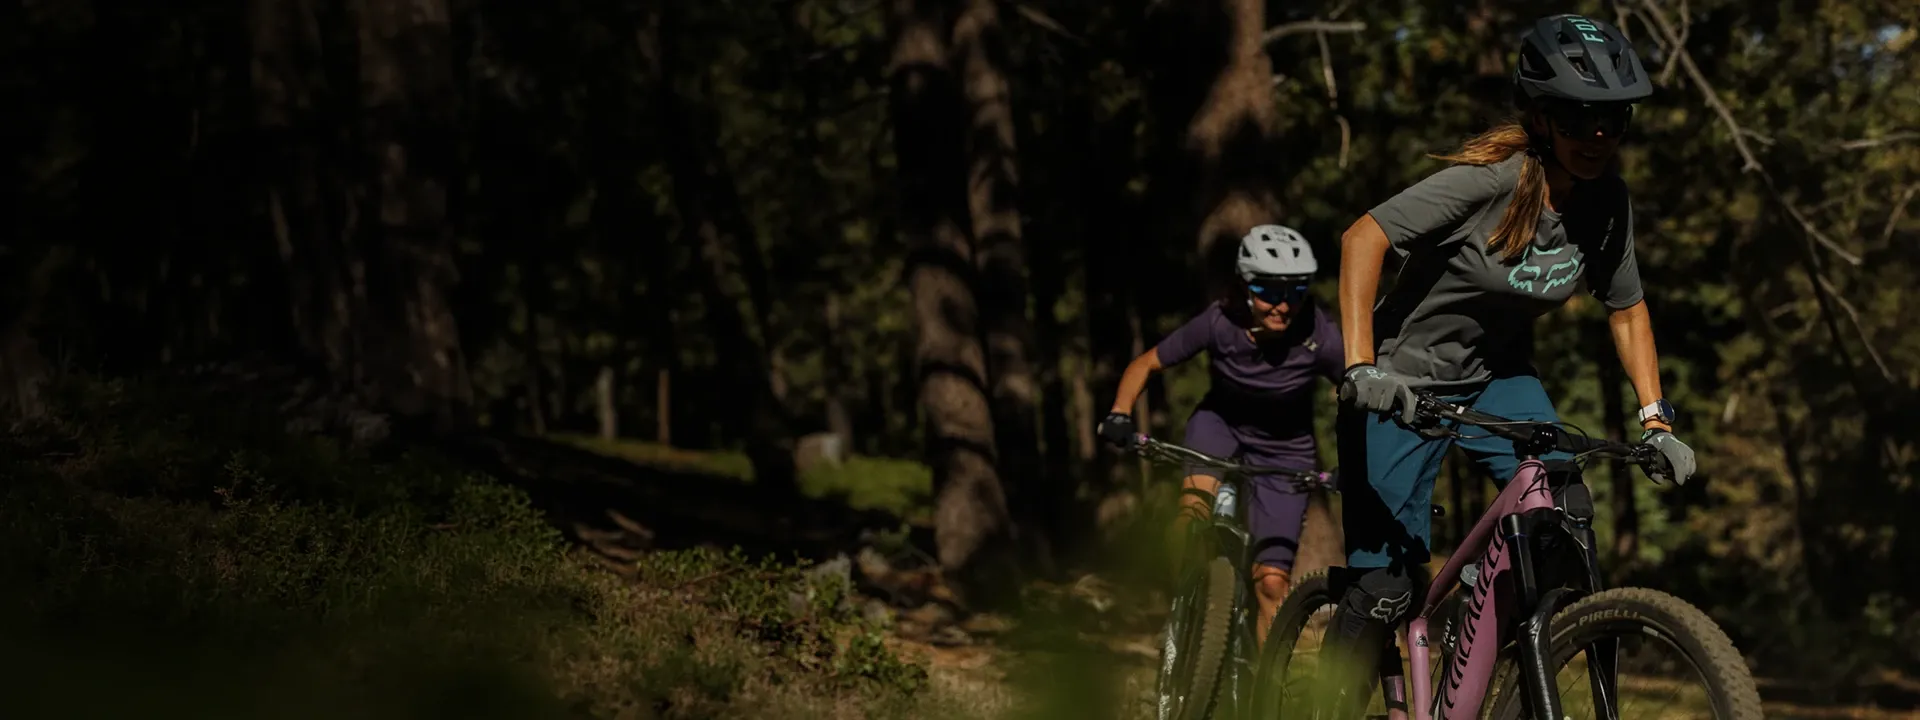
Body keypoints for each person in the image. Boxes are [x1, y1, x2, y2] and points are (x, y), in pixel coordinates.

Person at [1320, 13, 1700, 712]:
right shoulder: (1490, 183)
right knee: (1386, 589)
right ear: (1541, 114)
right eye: (1580, 118)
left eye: (1613, 122)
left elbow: (1627, 307)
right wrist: (1361, 366)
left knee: (1560, 516)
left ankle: (1498, 662)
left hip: (1497, 377)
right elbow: (1363, 236)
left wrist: (1656, 420)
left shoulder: (1606, 202)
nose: (1598, 138)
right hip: (1401, 382)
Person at [1097, 223, 1343, 645]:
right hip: (1220, 426)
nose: (1284, 305)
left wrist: (1353, 458)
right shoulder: (1217, 323)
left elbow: (1357, 388)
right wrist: (1119, 413)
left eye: (1296, 291)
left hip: (1286, 450)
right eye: (1269, 290)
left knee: (1271, 584)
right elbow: (1146, 364)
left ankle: (1264, 699)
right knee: (1192, 515)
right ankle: (1185, 610)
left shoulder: (1317, 334)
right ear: (1245, 286)